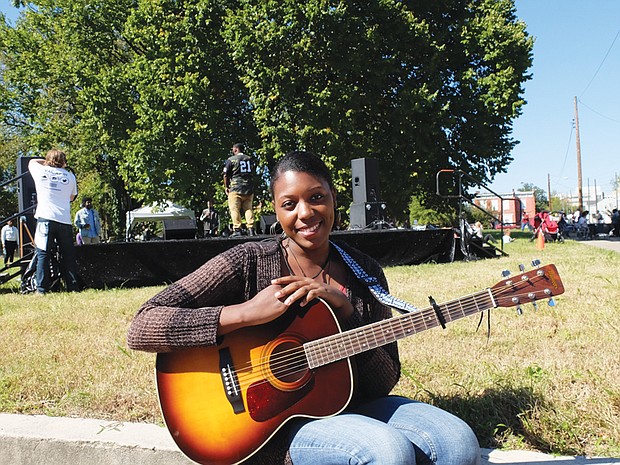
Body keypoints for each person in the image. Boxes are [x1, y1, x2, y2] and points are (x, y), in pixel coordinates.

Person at [128, 151, 480, 465]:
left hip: (351, 407)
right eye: (289, 204)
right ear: (276, 210)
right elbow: (143, 325)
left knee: (457, 443)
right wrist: (245, 313)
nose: (305, 213)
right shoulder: (249, 260)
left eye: (316, 198)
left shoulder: (365, 272)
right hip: (268, 425)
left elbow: (383, 383)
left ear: (333, 198)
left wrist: (345, 311)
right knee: (387, 453)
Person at [29, 149, 80, 294]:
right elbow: (72, 197)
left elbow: (32, 161)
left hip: (45, 218)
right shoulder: (70, 176)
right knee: (68, 254)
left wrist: (46, 162)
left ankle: (41, 288)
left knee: (43, 253)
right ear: (64, 161)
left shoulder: (40, 170)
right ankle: (73, 286)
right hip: (64, 220)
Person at [223, 143, 255, 237]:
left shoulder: (231, 160)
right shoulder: (249, 159)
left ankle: (237, 229)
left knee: (234, 209)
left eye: (233, 149)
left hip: (236, 187)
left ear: (236, 149)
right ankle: (251, 229)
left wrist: (226, 186)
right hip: (248, 188)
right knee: (248, 208)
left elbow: (225, 174)